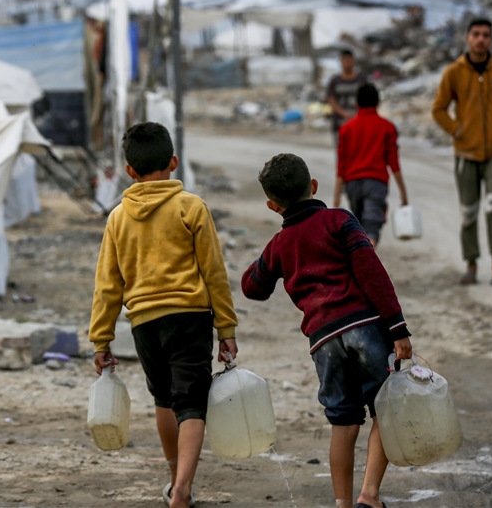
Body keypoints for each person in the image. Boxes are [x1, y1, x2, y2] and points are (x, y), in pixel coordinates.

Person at [241, 153, 412, 508]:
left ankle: (342, 503)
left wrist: (267, 259)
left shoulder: (279, 244)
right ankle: (369, 495)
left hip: (323, 342)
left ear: (273, 206)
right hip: (365, 329)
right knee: (386, 410)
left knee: (343, 423)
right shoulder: (340, 220)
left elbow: (252, 287)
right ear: (314, 186)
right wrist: (398, 328)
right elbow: (371, 272)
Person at [89, 122, 239, 508]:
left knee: (164, 401)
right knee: (191, 403)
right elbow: (214, 272)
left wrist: (101, 339)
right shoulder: (191, 207)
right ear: (173, 162)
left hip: (143, 323)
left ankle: (174, 481)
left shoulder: (118, 218)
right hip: (189, 318)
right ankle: (184, 488)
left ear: (130, 171)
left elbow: (107, 286)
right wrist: (226, 327)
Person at [432, 18, 492, 286]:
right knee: (469, 212)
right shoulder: (454, 71)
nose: (481, 39)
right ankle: (471, 265)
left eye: (486, 35)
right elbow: (439, 108)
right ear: (468, 38)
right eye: (476, 34)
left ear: (491, 39)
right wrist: (457, 130)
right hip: (465, 154)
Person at [334, 83, 409, 246]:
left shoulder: (346, 129)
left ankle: (362, 255)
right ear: (378, 102)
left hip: (352, 184)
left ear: (356, 103)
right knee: (372, 226)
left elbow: (341, 165)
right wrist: (403, 191)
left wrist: (337, 194)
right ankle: (367, 254)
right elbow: (394, 163)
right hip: (376, 183)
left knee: (360, 226)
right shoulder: (387, 127)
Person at [326, 49, 366, 145]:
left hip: (359, 123)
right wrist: (345, 114)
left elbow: (367, 99)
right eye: (344, 60)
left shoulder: (362, 79)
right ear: (341, 62)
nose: (347, 63)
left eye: (349, 60)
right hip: (339, 124)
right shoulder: (335, 81)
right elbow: (331, 100)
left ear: (354, 61)